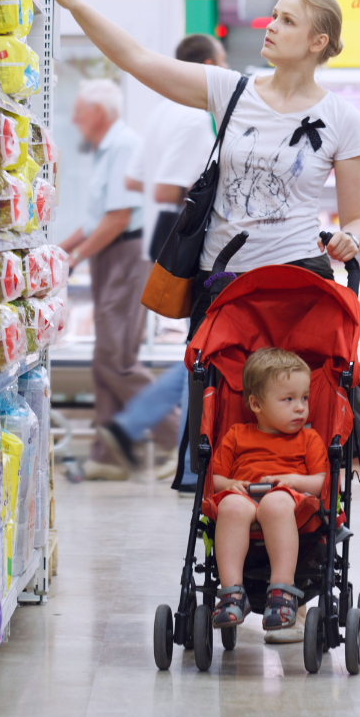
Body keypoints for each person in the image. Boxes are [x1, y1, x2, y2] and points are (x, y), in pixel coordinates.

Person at [40, 0, 360, 482]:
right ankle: (225, 523)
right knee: (221, 422)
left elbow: (359, 218)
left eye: (287, 20)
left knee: (290, 418)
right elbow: (137, 60)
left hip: (299, 287)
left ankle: (295, 523)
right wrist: (72, 3)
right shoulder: (231, 91)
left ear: (317, 41)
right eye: (273, 15)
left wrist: (353, 237)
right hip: (225, 287)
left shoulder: (342, 118)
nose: (271, 26)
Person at [97, 34, 227, 488]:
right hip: (185, 237)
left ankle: (149, 437)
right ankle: (179, 457)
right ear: (210, 66)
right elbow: (171, 190)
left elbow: (137, 181)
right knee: (208, 346)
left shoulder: (159, 113)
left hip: (161, 234)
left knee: (203, 344)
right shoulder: (195, 116)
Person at [59, 79, 177, 481]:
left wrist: (75, 257)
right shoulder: (107, 149)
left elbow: (119, 218)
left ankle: (177, 439)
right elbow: (96, 218)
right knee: (104, 358)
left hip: (128, 254)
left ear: (99, 112)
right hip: (111, 254)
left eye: (79, 111)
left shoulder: (124, 145)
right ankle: (106, 457)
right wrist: (61, 250)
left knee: (116, 357)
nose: (74, 120)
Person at [209, 349, 326, 632]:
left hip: (289, 502)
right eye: (288, 399)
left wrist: (293, 480)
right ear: (256, 404)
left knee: (275, 503)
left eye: (304, 398)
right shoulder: (237, 434)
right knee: (230, 506)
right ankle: (232, 592)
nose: (300, 407)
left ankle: (282, 591)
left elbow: (322, 482)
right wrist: (231, 486)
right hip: (245, 496)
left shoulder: (308, 439)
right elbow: (217, 479)